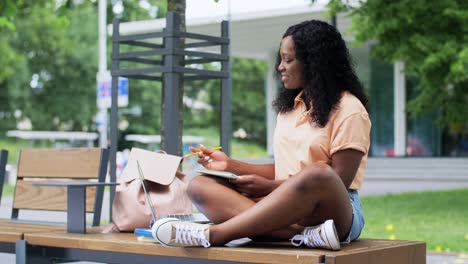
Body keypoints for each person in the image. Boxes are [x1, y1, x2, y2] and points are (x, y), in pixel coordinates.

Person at [151, 19, 371, 250]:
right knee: (199, 185)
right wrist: (230, 166)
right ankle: (303, 235)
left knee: (319, 174)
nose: (280, 67)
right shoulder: (290, 109)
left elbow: (337, 181)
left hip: (332, 210)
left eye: (288, 60)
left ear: (314, 63)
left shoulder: (350, 109)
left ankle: (216, 234)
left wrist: (270, 187)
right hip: (287, 210)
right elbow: (283, 169)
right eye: (280, 59)